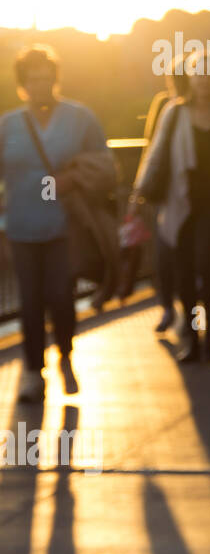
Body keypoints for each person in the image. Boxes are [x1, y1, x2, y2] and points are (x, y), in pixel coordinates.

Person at [1, 45, 109, 401]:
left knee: (62, 297)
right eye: (33, 81)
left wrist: (74, 178)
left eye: (47, 80)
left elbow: (105, 164)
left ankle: (65, 355)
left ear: (55, 80)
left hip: (65, 226)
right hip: (20, 227)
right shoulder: (8, 125)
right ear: (23, 84)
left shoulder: (80, 118)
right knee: (30, 302)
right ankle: (34, 372)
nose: (41, 87)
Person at [133, 49, 210, 363]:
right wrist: (139, 191)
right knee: (185, 272)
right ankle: (193, 336)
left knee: (206, 267)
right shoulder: (175, 112)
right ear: (190, 77)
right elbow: (156, 151)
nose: (205, 80)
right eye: (199, 73)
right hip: (181, 200)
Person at [136, 59, 186, 331]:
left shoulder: (195, 109)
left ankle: (183, 312)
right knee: (164, 255)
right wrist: (142, 187)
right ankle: (169, 307)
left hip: (187, 194)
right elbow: (151, 147)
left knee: (179, 255)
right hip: (164, 193)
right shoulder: (165, 104)